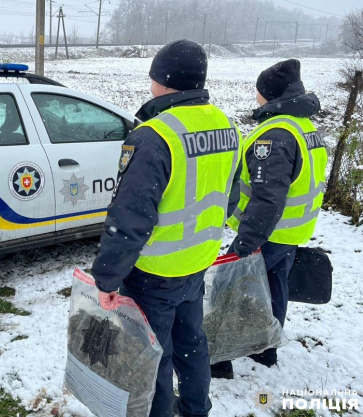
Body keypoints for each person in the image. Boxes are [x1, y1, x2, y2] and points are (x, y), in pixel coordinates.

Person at [91, 40, 243, 417]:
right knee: (191, 342)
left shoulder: (155, 136)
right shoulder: (227, 127)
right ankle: (195, 409)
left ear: (160, 80)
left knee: (151, 355)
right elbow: (233, 196)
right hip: (197, 261)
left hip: (155, 273)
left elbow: (128, 219)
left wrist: (107, 280)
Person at [211, 59, 327, 379]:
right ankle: (265, 348)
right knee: (274, 287)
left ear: (270, 94)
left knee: (229, 288)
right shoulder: (303, 126)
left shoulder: (275, 135)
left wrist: (246, 243)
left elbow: (267, 198)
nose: (256, 96)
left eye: (259, 90)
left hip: (268, 231)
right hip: (291, 230)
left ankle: (218, 360)